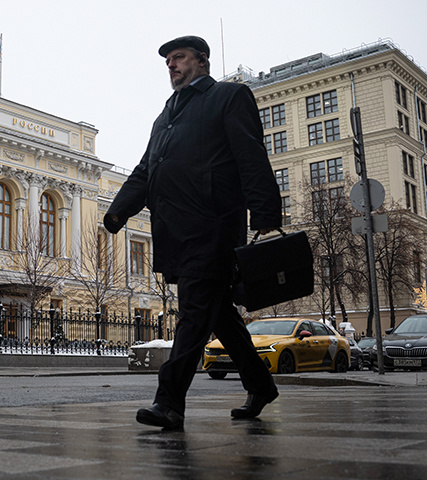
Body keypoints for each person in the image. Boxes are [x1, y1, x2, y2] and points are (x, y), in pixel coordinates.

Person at [104, 35, 281, 429]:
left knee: (194, 311)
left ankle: (169, 403)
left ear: (201, 60)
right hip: (175, 230)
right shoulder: (165, 116)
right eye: (168, 60)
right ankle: (261, 385)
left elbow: (250, 153)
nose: (171, 65)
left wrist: (265, 212)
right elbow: (146, 170)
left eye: (178, 57)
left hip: (213, 226)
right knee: (218, 315)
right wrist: (118, 211)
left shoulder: (228, 97)